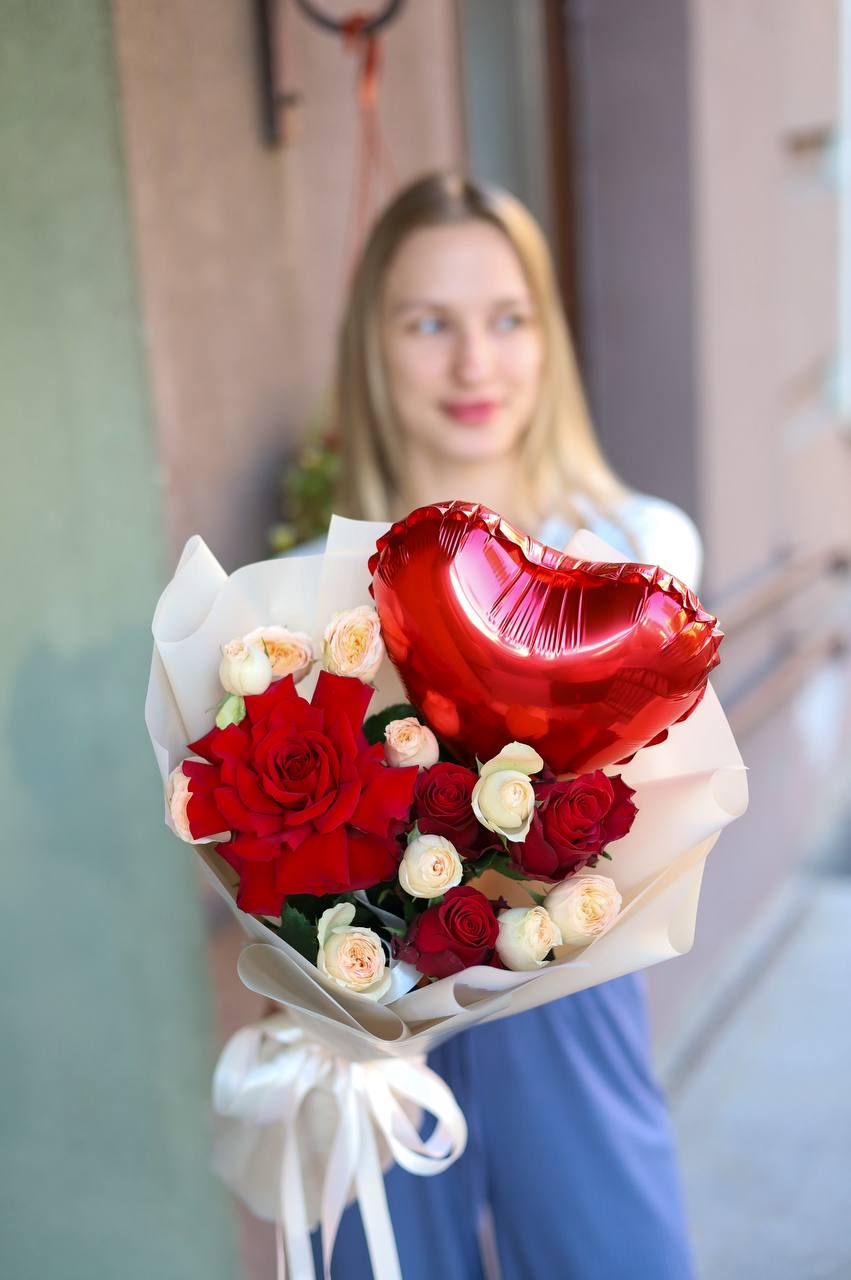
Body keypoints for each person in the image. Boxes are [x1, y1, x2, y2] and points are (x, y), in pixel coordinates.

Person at [313, 173, 698, 1279]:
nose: (474, 365)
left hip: (569, 999)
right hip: (375, 1017)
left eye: (506, 318)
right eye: (428, 324)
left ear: (546, 335)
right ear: (373, 345)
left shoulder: (636, 555)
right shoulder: (307, 588)